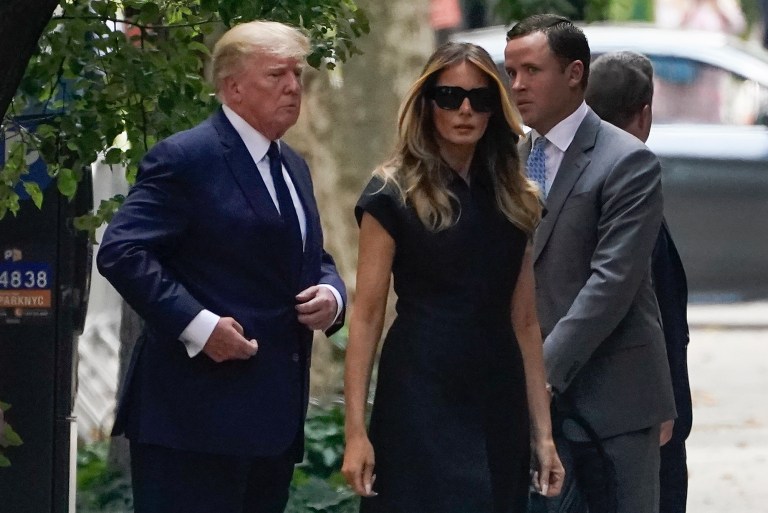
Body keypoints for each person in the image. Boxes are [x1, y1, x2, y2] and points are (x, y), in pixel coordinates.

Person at [97, 20, 347, 513]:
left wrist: (332, 294)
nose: (294, 87)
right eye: (277, 75)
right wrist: (199, 326)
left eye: (297, 74)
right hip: (192, 424)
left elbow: (309, 256)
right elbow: (122, 251)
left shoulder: (291, 164)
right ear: (233, 88)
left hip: (270, 423)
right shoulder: (187, 158)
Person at [341, 42, 564, 512]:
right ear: (427, 104)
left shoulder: (516, 196)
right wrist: (356, 432)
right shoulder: (391, 191)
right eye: (449, 97)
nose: (465, 110)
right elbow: (366, 317)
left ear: (495, 110)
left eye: (480, 99)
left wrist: (543, 435)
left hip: (497, 390)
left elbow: (525, 321)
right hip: (420, 387)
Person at [504, 14, 676, 513]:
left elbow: (611, 284)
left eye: (531, 71)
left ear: (574, 73)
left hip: (614, 403)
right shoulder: (510, 159)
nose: (517, 86)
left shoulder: (626, 161)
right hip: (532, 407)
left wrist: (540, 373)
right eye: (511, 73)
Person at [585, 51, 693, 513]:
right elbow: (642, 302)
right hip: (638, 408)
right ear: (644, 113)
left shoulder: (581, 172)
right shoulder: (630, 176)